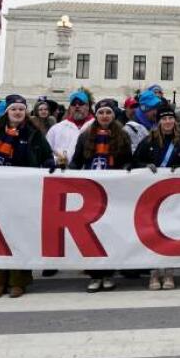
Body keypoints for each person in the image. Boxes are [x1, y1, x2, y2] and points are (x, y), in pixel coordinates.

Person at [0, 94, 55, 298]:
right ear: (7, 112)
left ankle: (18, 281)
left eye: (21, 109)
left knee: (19, 236)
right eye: (14, 109)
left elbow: (46, 155)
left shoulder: (34, 133)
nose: (18, 112)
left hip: (23, 191)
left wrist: (49, 164)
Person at [132, 103, 180, 289]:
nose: (168, 122)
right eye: (164, 119)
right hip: (152, 195)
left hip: (174, 196)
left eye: (170, 118)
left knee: (171, 232)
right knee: (153, 233)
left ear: (175, 121)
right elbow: (136, 160)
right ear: (159, 121)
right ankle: (154, 272)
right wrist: (145, 166)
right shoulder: (149, 139)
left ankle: (169, 271)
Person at [71, 99, 133, 292]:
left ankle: (108, 273)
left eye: (108, 113)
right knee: (92, 234)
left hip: (113, 191)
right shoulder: (86, 136)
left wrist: (127, 168)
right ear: (96, 115)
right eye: (101, 113)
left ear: (113, 116)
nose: (105, 116)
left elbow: (128, 160)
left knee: (110, 233)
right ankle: (94, 274)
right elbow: (77, 161)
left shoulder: (122, 136)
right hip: (90, 190)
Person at [46, 89, 94, 167]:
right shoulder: (57, 128)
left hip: (88, 174)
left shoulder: (95, 126)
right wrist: (58, 161)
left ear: (87, 106)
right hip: (62, 173)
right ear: (70, 107)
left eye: (80, 103)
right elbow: (47, 152)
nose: (77, 106)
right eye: (73, 104)